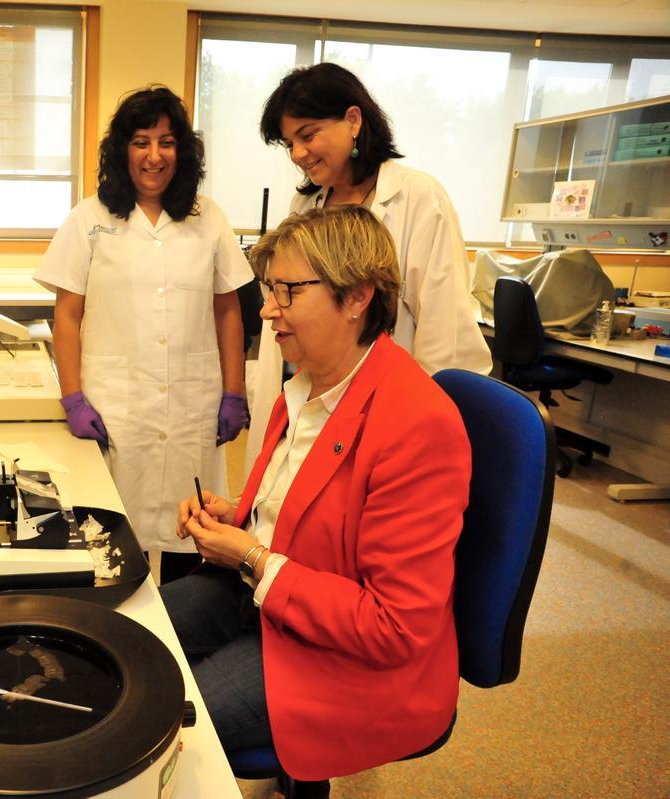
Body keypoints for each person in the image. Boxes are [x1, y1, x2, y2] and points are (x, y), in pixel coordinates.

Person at [162, 205, 471, 781]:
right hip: (275, 597)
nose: (267, 309)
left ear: (356, 297)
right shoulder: (303, 387)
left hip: (347, 660)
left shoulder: (416, 423)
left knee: (158, 724)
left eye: (287, 292)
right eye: (268, 289)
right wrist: (236, 519)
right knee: (133, 642)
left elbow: (394, 627)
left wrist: (252, 555)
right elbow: (306, 509)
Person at [34, 86, 252, 577]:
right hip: (116, 403)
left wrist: (234, 392)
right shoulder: (89, 218)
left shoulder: (208, 217)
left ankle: (180, 630)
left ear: (184, 152)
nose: (155, 156)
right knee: (108, 536)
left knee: (190, 529)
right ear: (121, 150)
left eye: (167, 142)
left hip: (191, 401)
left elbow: (227, 310)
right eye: (141, 142)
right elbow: (66, 315)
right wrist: (73, 398)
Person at [246, 63, 490, 470]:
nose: (298, 154)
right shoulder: (306, 205)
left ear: (353, 120)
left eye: (307, 135)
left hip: (388, 405)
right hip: (313, 390)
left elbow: (443, 330)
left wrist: (420, 430)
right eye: (289, 143)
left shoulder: (417, 198)